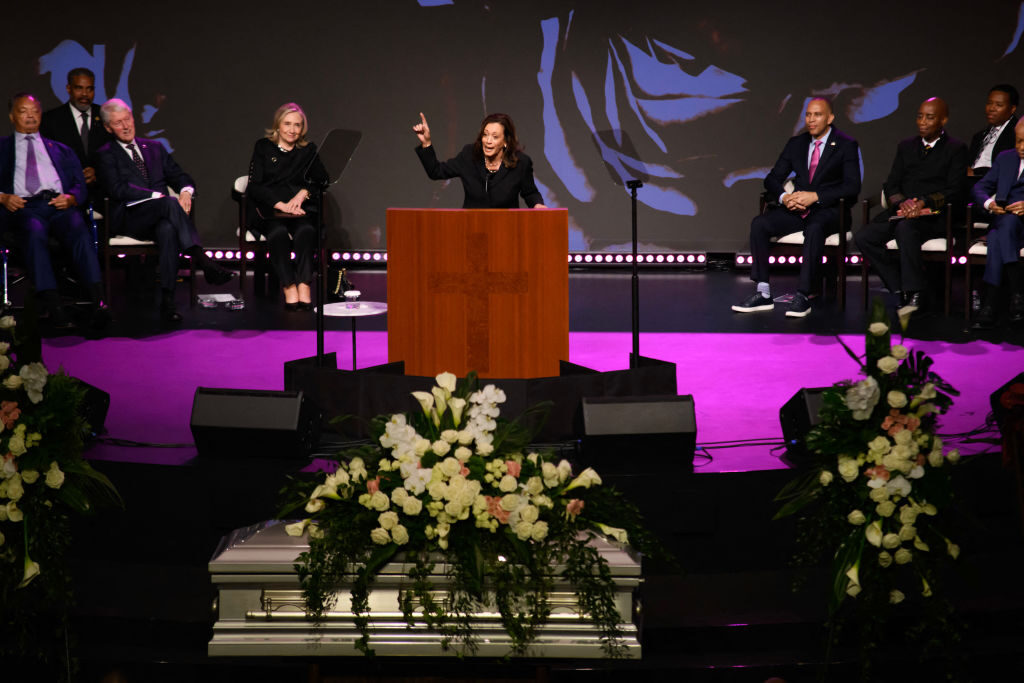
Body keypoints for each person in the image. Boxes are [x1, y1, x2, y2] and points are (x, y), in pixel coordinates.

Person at [94, 98, 233, 323]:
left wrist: (186, 191)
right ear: (109, 128)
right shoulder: (106, 154)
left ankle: (167, 302)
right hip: (130, 217)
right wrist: (156, 196)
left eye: (128, 119)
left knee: (168, 230)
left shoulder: (154, 148)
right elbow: (117, 189)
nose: (126, 126)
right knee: (169, 203)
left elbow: (179, 176)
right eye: (118, 123)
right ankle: (202, 259)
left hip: (162, 216)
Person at [732, 98, 861, 318]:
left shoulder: (845, 145)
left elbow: (852, 186)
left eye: (817, 115)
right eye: (808, 115)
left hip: (828, 211)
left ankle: (803, 294)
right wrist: (784, 197)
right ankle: (763, 292)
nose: (811, 119)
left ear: (830, 118)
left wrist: (816, 196)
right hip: (797, 209)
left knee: (815, 228)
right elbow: (772, 179)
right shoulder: (797, 143)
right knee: (760, 224)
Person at [0, 93, 108, 329]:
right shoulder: (3, 148)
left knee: (79, 229)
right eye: (23, 111)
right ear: (11, 116)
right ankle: (53, 304)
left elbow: (79, 184)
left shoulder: (60, 149)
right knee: (33, 231)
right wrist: (3, 197)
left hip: (57, 205)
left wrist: (71, 198)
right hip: (25, 207)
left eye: (35, 111)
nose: (30, 116)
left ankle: (98, 300)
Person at [854, 97, 969, 315]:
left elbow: (955, 190)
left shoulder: (955, 149)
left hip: (933, 216)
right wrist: (902, 203)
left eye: (930, 117)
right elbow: (891, 184)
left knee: (905, 229)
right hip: (902, 212)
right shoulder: (906, 146)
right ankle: (897, 288)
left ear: (943, 120)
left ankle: (915, 292)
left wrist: (923, 202)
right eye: (920, 116)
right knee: (864, 237)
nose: (922, 122)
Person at [245, 103, 326, 310]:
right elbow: (255, 186)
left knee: (306, 231)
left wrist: (303, 193)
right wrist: (280, 205)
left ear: (302, 128)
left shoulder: (308, 150)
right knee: (278, 234)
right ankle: (289, 285)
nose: (292, 130)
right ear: (278, 126)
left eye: (297, 125)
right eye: (287, 124)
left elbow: (321, 179)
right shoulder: (263, 147)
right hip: (270, 211)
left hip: (299, 211)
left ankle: (304, 283)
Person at [413, 112, 547, 208]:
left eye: (495, 137)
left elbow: (530, 193)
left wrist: (538, 205)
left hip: (507, 231)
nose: (488, 141)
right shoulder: (469, 156)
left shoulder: (520, 163)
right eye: (485, 135)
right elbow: (437, 171)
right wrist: (426, 143)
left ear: (505, 141)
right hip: (472, 229)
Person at [969, 117, 1024, 329]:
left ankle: (989, 304)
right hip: (1003, 222)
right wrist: (990, 203)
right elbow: (979, 188)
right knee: (1001, 230)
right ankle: (1017, 296)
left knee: (997, 235)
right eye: (1018, 141)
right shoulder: (1005, 158)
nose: (1021, 147)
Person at [39, 67, 112, 199]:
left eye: (89, 89)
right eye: (79, 88)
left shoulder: (105, 115)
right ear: (69, 88)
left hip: (103, 193)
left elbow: (115, 154)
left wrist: (98, 172)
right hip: (66, 194)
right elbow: (45, 161)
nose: (85, 94)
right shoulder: (50, 120)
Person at [967, 84, 1019, 177]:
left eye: (999, 105)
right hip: (971, 184)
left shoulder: (1017, 134)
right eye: (989, 103)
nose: (991, 108)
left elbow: (1009, 168)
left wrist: (976, 172)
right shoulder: (979, 136)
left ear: (1012, 109)